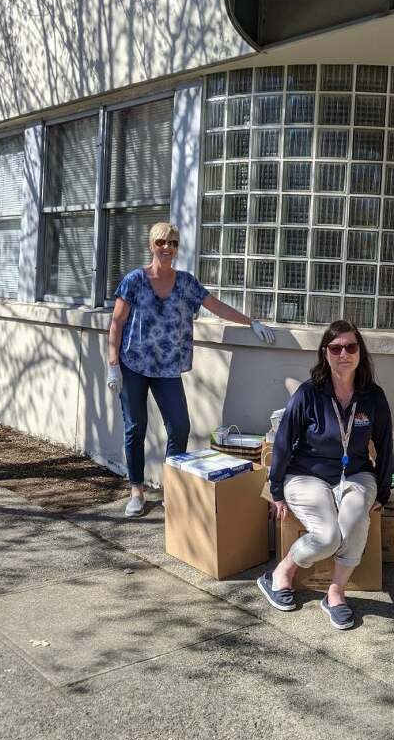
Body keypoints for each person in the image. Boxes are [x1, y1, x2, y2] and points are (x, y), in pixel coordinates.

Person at [107, 221, 275, 518]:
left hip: (168, 367)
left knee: (180, 426)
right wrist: (113, 365)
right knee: (136, 427)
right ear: (151, 245)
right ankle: (136, 491)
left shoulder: (185, 283)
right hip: (133, 364)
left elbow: (216, 306)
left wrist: (251, 322)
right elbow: (117, 322)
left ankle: (173, 488)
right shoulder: (134, 280)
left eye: (172, 243)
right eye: (161, 242)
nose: (167, 248)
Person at [257, 320, 394, 630]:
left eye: (351, 347)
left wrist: (383, 491)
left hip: (357, 474)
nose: (343, 353)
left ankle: (335, 593)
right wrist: (276, 491)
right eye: (336, 348)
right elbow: (282, 442)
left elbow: (386, 445)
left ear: (360, 352)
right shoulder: (309, 394)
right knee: (328, 536)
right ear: (325, 353)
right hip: (308, 475)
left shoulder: (373, 396)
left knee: (356, 520)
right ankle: (282, 572)